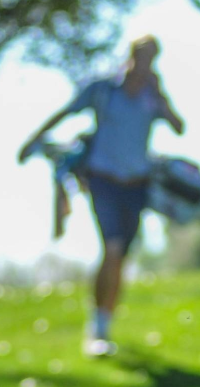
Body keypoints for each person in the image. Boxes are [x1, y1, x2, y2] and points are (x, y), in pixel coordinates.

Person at [17, 35, 185, 356]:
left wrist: (162, 97)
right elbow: (66, 112)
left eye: (152, 58)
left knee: (120, 257)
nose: (146, 63)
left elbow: (179, 127)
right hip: (103, 180)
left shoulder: (152, 97)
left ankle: (105, 323)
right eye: (142, 56)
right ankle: (97, 329)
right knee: (113, 247)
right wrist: (33, 140)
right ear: (131, 56)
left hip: (137, 184)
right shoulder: (104, 90)